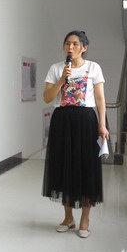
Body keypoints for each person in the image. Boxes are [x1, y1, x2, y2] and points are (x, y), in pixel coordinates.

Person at [42, 30, 108, 238]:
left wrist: (102, 124)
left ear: (84, 48)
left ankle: (85, 219)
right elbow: (47, 97)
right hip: (62, 120)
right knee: (64, 167)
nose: (70, 47)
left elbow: (100, 99)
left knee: (86, 167)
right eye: (67, 43)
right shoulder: (56, 68)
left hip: (86, 120)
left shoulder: (93, 67)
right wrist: (62, 79)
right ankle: (68, 217)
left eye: (75, 44)